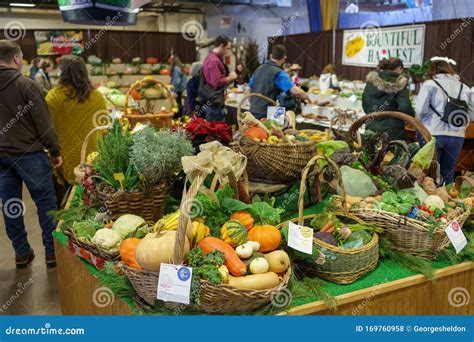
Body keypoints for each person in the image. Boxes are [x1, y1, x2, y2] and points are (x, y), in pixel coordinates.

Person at [0, 40, 62, 268]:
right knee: (46, 203)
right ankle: (52, 253)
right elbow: (43, 124)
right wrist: (55, 151)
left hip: (2, 158)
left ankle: (22, 253)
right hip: (30, 155)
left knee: (11, 205)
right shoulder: (26, 85)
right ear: (16, 58)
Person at [46, 55, 106, 188]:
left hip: (65, 154)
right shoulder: (97, 96)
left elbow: (46, 125)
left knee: (71, 194)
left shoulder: (54, 97)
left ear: (63, 73)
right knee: (92, 191)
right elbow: (104, 125)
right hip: (93, 154)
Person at [415, 57, 474, 184]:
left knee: (428, 173)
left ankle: (427, 202)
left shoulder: (430, 85)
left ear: (432, 71)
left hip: (432, 133)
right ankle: (446, 201)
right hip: (457, 135)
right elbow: (472, 114)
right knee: (448, 172)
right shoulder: (464, 87)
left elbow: (420, 111)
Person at [248, 45, 309, 119]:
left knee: (253, 130)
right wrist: (308, 99)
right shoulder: (279, 73)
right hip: (266, 114)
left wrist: (253, 104)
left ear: (271, 56)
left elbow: (248, 89)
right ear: (284, 58)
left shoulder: (259, 69)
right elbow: (295, 91)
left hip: (252, 110)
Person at [362, 57, 414, 141]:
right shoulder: (400, 83)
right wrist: (411, 117)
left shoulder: (371, 82)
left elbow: (365, 104)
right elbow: (405, 107)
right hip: (393, 132)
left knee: (371, 153)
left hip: (371, 129)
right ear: (399, 68)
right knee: (392, 154)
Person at [199, 35, 237, 121]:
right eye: (227, 48)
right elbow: (216, 82)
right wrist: (230, 77)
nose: (227, 51)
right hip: (214, 104)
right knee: (215, 130)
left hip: (212, 101)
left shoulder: (211, 58)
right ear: (221, 46)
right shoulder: (214, 61)